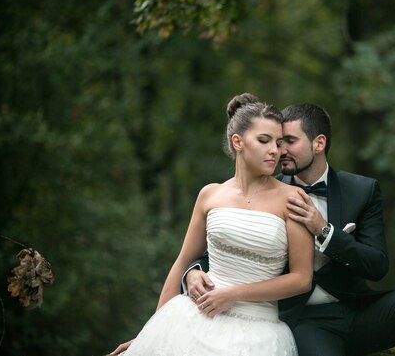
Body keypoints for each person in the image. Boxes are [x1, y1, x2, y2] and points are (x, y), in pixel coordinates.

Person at [185, 103, 395, 356]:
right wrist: (192, 271)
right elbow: (230, 247)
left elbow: (377, 266)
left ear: (318, 143)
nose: (280, 151)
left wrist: (325, 231)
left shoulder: (362, 191)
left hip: (358, 308)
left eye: (289, 141)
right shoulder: (268, 193)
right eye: (277, 142)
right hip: (307, 320)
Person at [110, 94, 314, 356]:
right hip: (194, 320)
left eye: (278, 142)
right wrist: (148, 335)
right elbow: (183, 261)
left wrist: (233, 294)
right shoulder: (210, 194)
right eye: (264, 141)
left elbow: (301, 279)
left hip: (258, 331)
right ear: (237, 142)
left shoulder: (293, 199)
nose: (275, 150)